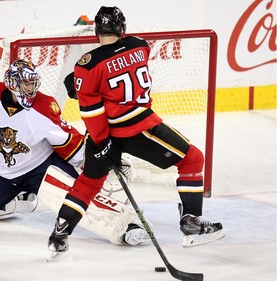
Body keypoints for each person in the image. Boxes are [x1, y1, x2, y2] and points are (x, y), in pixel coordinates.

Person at [0, 59, 149, 246]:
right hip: (1, 174)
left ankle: (125, 227)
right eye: (27, 84)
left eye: (34, 83)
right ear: (13, 84)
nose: (32, 89)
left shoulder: (44, 108)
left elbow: (70, 143)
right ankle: (18, 199)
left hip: (44, 169)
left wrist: (96, 164)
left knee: (76, 199)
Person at [48, 6, 224, 254]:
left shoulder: (86, 66)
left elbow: (91, 109)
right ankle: (191, 221)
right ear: (122, 29)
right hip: (139, 128)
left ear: (97, 29)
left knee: (88, 183)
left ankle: (60, 234)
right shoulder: (139, 45)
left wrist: (99, 139)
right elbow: (118, 70)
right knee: (193, 159)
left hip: (103, 133)